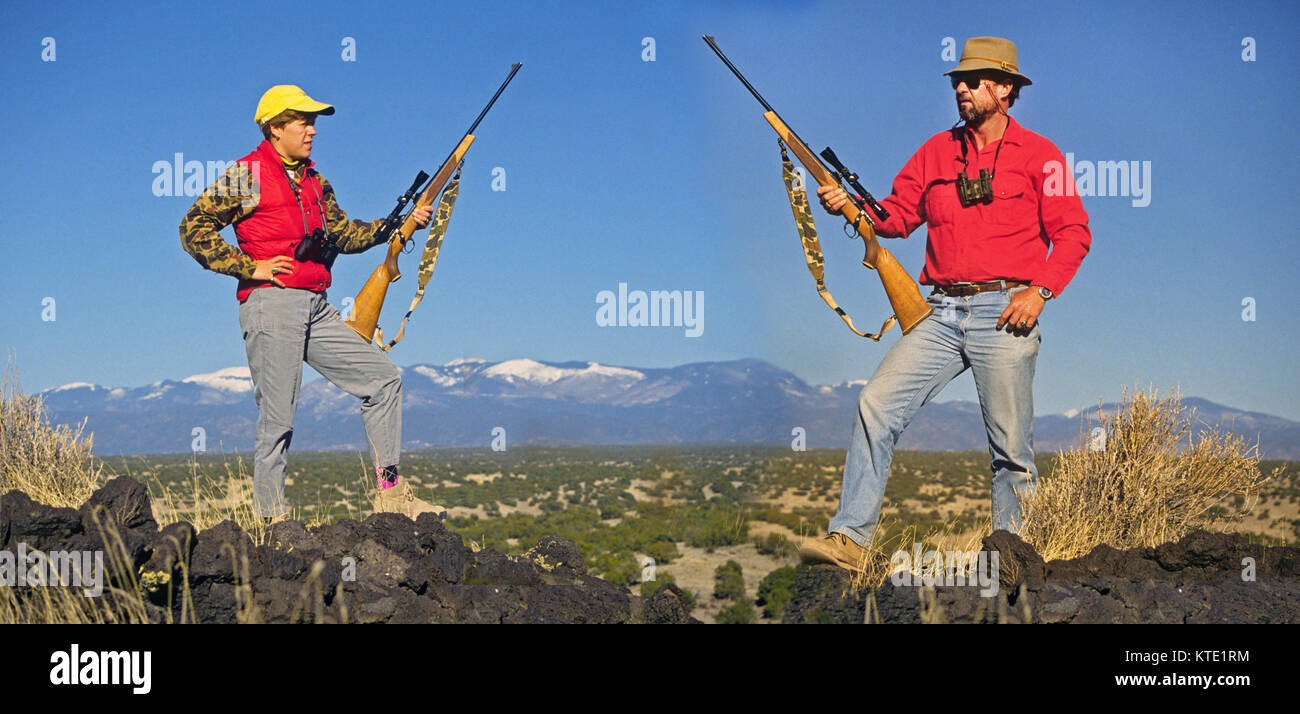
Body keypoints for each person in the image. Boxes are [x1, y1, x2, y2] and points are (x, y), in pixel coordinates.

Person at [799, 37, 1091, 572]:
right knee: (876, 405)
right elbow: (893, 218)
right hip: (939, 312)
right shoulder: (935, 151)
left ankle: (1012, 562)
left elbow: (1073, 232)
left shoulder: (1042, 155)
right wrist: (848, 207)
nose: (961, 87)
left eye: (973, 79)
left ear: (1005, 89)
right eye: (957, 80)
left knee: (1010, 453)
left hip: (1007, 309)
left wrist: (1040, 290)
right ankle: (851, 542)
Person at [179, 84, 443, 523]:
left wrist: (399, 225)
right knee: (278, 418)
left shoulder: (316, 182)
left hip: (316, 306)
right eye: (303, 121)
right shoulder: (246, 175)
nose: (312, 130)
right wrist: (250, 267)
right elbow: (193, 228)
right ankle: (271, 523)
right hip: (272, 304)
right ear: (275, 127)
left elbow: (343, 235)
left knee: (383, 380)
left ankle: (392, 496)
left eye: (314, 122)